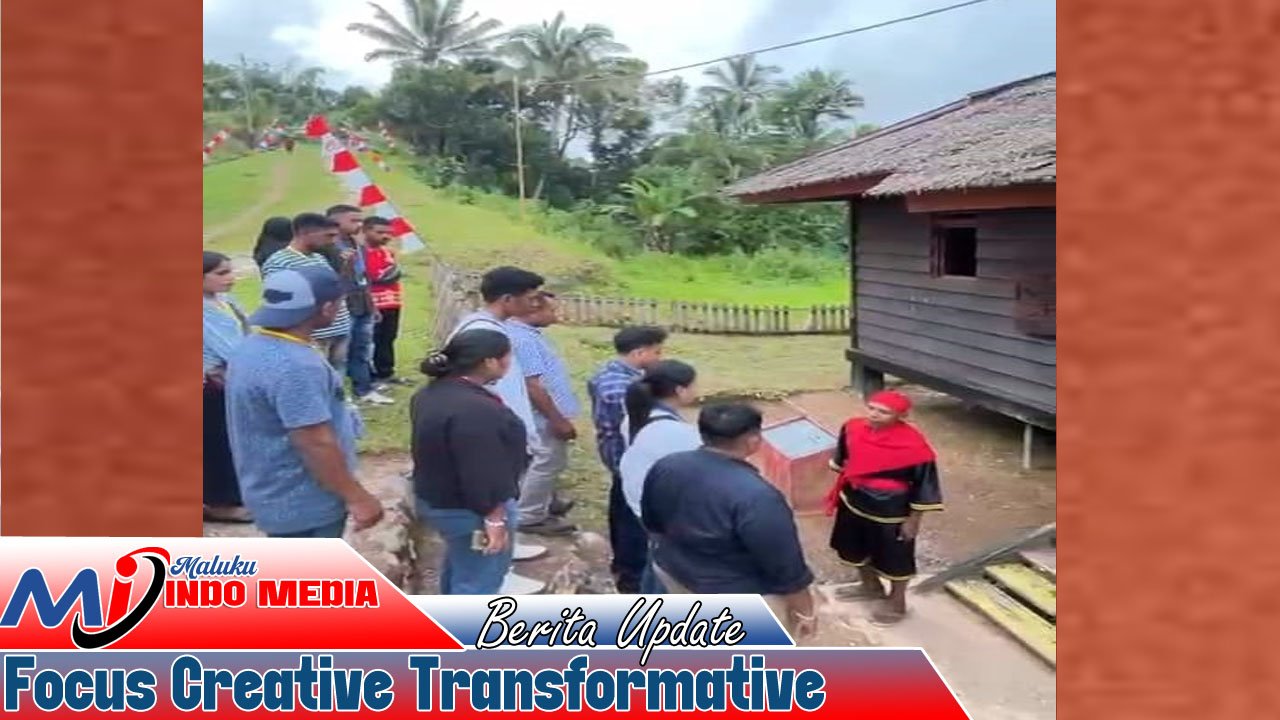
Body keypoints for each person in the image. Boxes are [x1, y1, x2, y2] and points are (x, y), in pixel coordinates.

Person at [224, 264, 384, 539]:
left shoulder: (251, 346)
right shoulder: (295, 365)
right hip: (304, 503)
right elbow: (314, 441)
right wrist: (357, 497)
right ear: (327, 308)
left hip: (269, 491)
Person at [642, 404, 817, 638]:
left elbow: (652, 521)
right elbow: (785, 566)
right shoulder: (758, 496)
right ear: (752, 441)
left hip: (674, 574)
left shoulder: (667, 465)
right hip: (736, 596)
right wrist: (805, 612)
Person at [411, 330, 529, 594]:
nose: (510, 362)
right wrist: (494, 518)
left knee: (462, 563)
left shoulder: (432, 393)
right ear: (489, 362)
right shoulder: (476, 410)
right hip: (471, 508)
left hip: (439, 498)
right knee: (479, 580)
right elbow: (480, 468)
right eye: (507, 356)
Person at [827, 389, 943, 625]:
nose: (874, 415)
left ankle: (897, 602)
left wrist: (914, 520)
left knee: (896, 556)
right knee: (852, 547)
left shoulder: (915, 447)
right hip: (854, 500)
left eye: (884, 412)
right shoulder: (851, 428)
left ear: (900, 415)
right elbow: (842, 460)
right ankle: (870, 586)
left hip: (891, 510)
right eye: (871, 408)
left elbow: (924, 484)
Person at [586, 325, 668, 593]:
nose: (660, 357)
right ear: (639, 352)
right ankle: (631, 575)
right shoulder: (620, 386)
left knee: (621, 504)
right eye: (657, 352)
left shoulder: (615, 374)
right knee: (632, 515)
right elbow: (634, 423)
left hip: (618, 452)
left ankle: (623, 564)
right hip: (624, 452)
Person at [618, 359, 701, 594]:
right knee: (670, 570)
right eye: (693, 386)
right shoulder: (679, 433)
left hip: (640, 502)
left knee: (656, 559)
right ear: (680, 390)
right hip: (665, 513)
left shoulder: (635, 417)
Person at [507, 292, 579, 536]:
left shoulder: (527, 335)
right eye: (552, 311)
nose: (556, 316)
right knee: (548, 461)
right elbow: (533, 385)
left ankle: (542, 502)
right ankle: (530, 515)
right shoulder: (524, 340)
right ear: (533, 311)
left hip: (540, 414)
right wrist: (556, 418)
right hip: (542, 415)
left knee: (535, 461)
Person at [260, 213, 353, 374]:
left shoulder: (319, 258)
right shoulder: (279, 262)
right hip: (313, 334)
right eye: (328, 236)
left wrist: (346, 266)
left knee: (337, 374)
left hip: (339, 327)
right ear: (305, 233)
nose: (333, 241)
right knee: (316, 377)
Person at [202, 251, 251, 524]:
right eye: (221, 273)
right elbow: (229, 348)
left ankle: (235, 494)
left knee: (233, 439)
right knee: (216, 443)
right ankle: (220, 502)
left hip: (231, 379)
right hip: (210, 385)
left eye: (230, 271)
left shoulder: (225, 301)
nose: (230, 278)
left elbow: (247, 331)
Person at [327, 204, 393, 406]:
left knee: (363, 349)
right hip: (341, 306)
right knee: (339, 354)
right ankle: (336, 396)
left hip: (362, 303)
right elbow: (330, 280)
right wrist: (342, 263)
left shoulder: (357, 245)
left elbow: (364, 277)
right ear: (336, 222)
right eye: (353, 220)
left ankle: (364, 388)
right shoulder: (327, 249)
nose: (359, 224)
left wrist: (372, 305)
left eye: (360, 220)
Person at [361, 216, 410, 387]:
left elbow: (391, 275)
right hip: (373, 303)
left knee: (388, 338)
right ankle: (368, 376)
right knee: (371, 339)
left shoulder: (387, 252)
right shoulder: (360, 254)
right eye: (380, 232)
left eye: (389, 233)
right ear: (365, 230)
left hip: (392, 302)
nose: (386, 236)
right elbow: (375, 277)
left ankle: (386, 372)